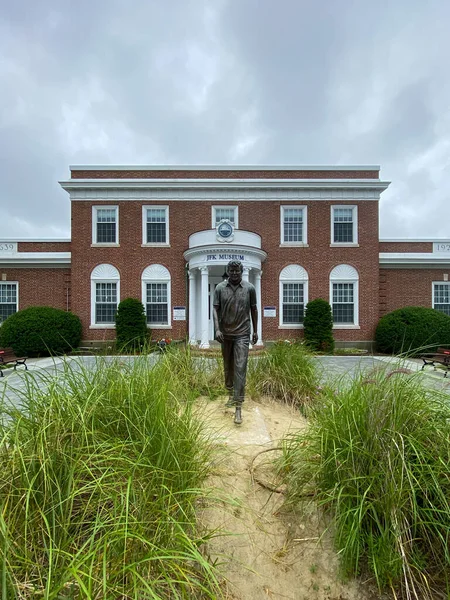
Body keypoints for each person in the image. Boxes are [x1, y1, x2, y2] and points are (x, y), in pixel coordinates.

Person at [213, 260, 258, 425]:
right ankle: (231, 393)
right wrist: (217, 329)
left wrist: (255, 331)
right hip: (225, 334)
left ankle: (238, 407)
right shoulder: (219, 288)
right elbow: (215, 309)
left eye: (237, 271)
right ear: (228, 271)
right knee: (228, 367)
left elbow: (254, 309)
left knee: (240, 368)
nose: (234, 274)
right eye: (231, 271)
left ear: (241, 271)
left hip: (242, 334)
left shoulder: (249, 288)